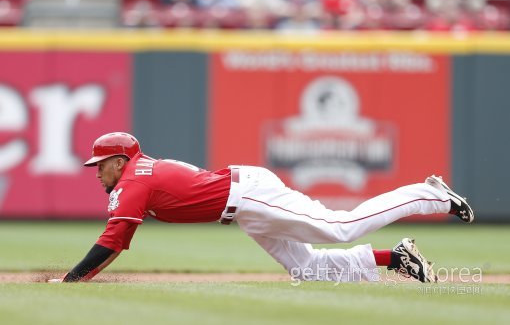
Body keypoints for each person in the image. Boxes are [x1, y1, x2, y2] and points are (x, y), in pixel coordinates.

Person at [48, 132, 474, 283]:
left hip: (248, 194)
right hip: (243, 203)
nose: (96, 172)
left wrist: (72, 279)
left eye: (100, 164)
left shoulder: (134, 180)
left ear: (119, 161)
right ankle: (395, 258)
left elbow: (115, 237)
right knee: (307, 270)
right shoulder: (144, 170)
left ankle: (429, 194)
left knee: (340, 227)